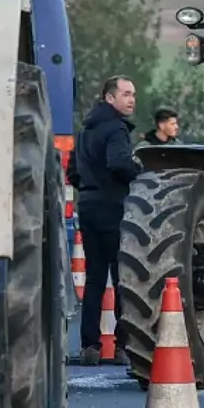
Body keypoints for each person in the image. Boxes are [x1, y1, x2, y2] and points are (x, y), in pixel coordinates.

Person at [66, 75, 141, 366]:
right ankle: (124, 346)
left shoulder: (85, 131)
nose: (132, 99)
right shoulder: (116, 129)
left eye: (133, 93)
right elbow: (120, 163)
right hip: (114, 206)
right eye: (126, 94)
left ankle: (90, 346)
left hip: (88, 205)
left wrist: (88, 185)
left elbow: (72, 171)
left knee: (95, 278)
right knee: (123, 276)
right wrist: (139, 173)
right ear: (110, 98)